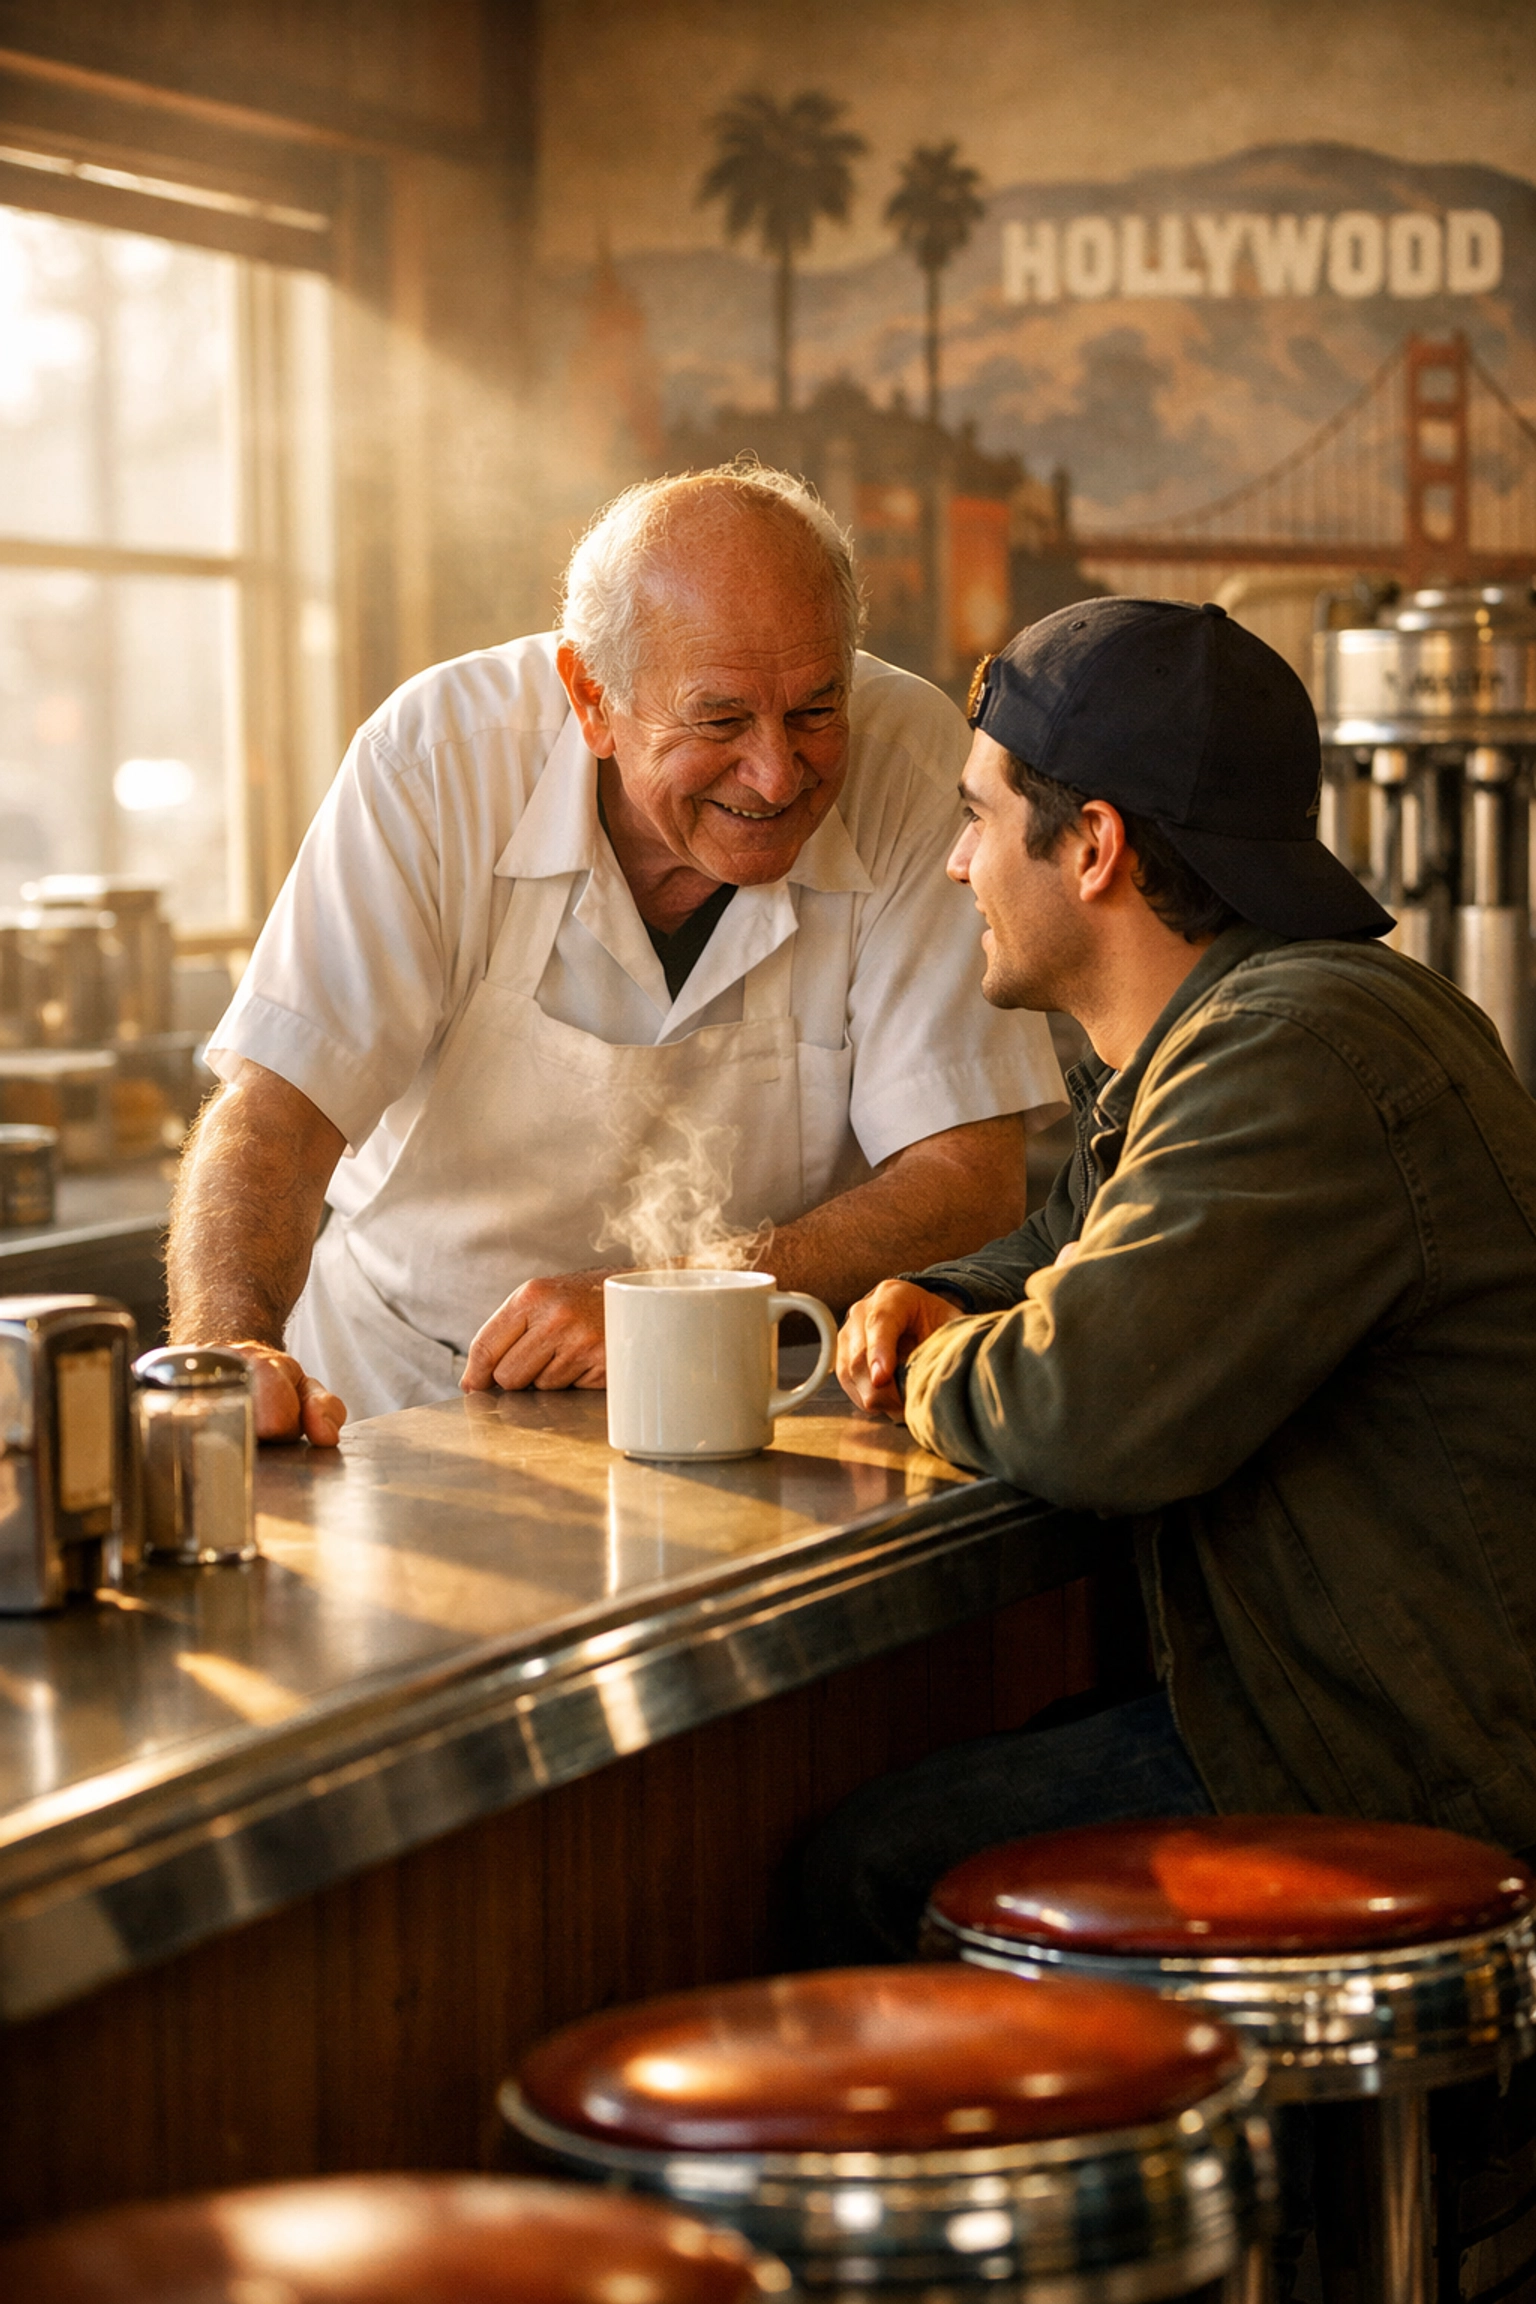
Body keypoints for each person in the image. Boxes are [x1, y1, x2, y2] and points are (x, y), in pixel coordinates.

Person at [809, 594, 1536, 1966]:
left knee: (869, 1867)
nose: (958, 866)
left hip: (1404, 1765)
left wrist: (920, 1363)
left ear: (1092, 847)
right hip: (1311, 1708)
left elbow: (1086, 1407)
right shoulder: (1228, 1035)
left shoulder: (1297, 1052)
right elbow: (1070, 1251)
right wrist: (953, 1293)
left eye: (977, 816)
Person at [168, 466, 1066, 1437]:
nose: (776, 774)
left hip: (763, 1396)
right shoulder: (433, 762)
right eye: (719, 719)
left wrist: (670, 1295)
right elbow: (276, 1116)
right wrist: (229, 1354)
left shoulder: (916, 765)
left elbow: (967, 1184)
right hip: (401, 1389)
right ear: (591, 698)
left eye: (815, 709)